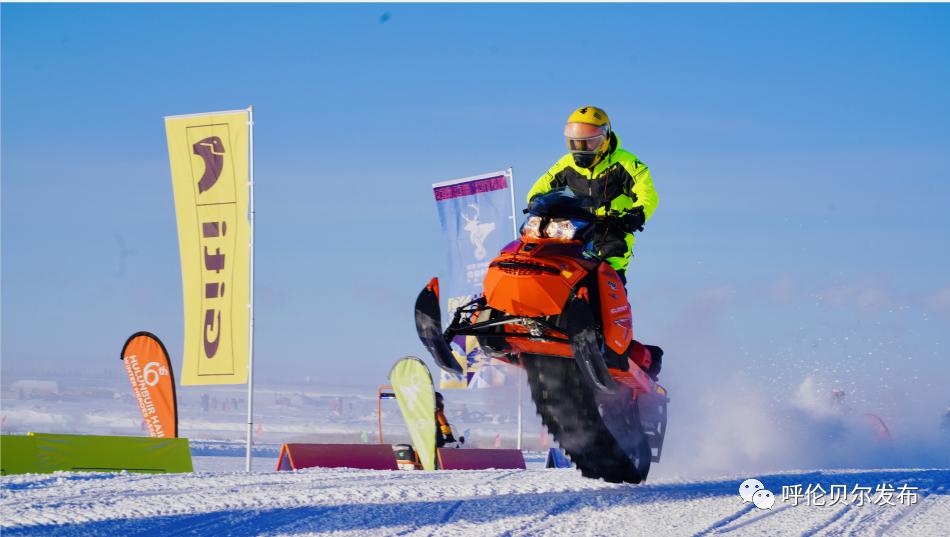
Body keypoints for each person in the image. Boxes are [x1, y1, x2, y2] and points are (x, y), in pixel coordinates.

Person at [526, 106, 658, 284]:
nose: (581, 148)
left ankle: (615, 307)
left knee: (607, 280)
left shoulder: (625, 163)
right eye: (575, 142)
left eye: (588, 142)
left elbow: (647, 193)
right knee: (554, 271)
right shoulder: (566, 164)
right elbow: (539, 189)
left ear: (604, 139)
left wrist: (636, 215)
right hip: (574, 232)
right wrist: (536, 203)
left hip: (612, 233)